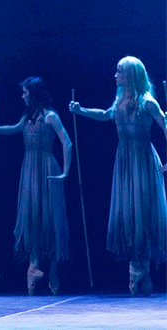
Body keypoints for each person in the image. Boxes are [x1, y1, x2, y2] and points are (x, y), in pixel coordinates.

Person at [69, 56, 167, 296]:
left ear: (131, 75)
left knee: (142, 212)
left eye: (120, 72)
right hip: (124, 161)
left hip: (142, 161)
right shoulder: (120, 101)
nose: (116, 75)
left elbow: (165, 125)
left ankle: (140, 271)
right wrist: (81, 111)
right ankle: (140, 274)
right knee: (129, 214)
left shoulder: (148, 102)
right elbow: (105, 114)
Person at [0, 77, 72, 295]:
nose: (23, 96)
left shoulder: (51, 116)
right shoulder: (27, 117)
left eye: (25, 92)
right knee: (32, 217)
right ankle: (33, 266)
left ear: (33, 94)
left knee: (49, 218)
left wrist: (65, 171)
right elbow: (13, 128)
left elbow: (67, 142)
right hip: (30, 169)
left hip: (46, 169)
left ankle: (52, 269)